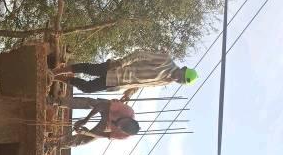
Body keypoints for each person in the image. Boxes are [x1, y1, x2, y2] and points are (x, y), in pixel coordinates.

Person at [55, 50, 197, 96]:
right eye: (181, 76)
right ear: (183, 69)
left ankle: (59, 79)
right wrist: (121, 62)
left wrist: (130, 93)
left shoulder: (166, 81)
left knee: (87, 88)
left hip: (117, 83)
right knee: (88, 69)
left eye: (180, 81)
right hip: (117, 69)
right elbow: (140, 54)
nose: (177, 79)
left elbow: (142, 83)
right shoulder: (166, 60)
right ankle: (57, 72)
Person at [67, 97, 139, 143]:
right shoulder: (128, 111)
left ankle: (64, 142)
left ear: (123, 131)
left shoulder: (123, 136)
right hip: (107, 108)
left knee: (87, 139)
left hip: (107, 126)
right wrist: (85, 120)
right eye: (121, 121)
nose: (118, 124)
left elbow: (103, 135)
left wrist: (86, 133)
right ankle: (63, 102)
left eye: (120, 127)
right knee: (91, 102)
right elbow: (101, 106)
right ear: (128, 118)